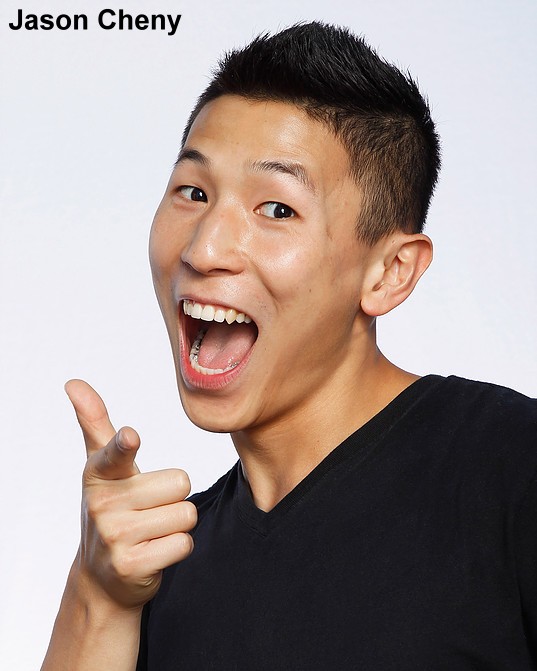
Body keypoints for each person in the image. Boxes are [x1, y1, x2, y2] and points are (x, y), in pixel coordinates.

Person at [42, 22, 537, 671]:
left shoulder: (510, 468)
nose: (204, 250)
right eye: (194, 193)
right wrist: (98, 594)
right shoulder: (157, 567)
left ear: (389, 273)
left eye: (276, 209)